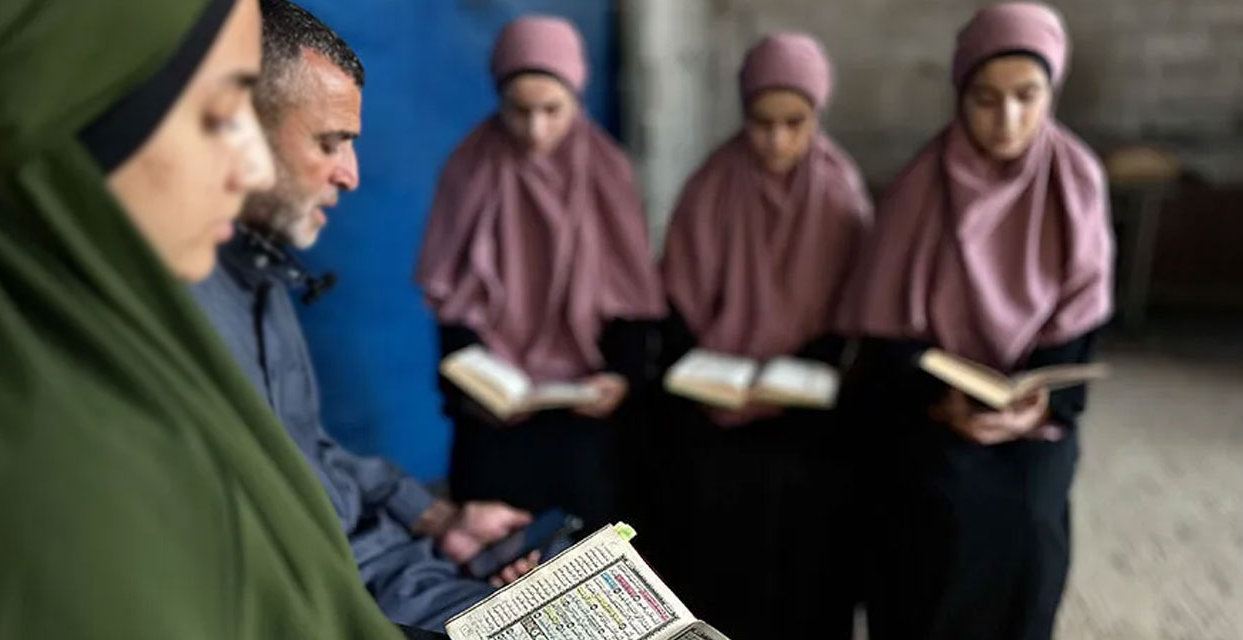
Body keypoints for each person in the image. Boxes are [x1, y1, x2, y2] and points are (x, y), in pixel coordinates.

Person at [0, 0, 420, 638]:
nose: (252, 167)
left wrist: (431, 516)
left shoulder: (167, 318)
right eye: (218, 114)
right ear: (86, 116)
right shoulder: (62, 483)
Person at [191, 0, 534, 632]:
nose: (349, 176)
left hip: (400, 574)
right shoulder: (179, 308)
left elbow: (304, 450)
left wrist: (437, 520)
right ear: (240, 126)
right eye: (329, 143)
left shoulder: (258, 270)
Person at [837, 4, 1114, 639]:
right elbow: (887, 340)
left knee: (1029, 526)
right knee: (928, 525)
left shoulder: (1075, 182)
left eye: (1027, 96)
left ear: (1052, 93)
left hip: (1033, 419)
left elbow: (1082, 325)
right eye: (987, 98)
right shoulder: (919, 189)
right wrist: (941, 404)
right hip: (927, 414)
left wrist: (1037, 405)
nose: (1007, 119)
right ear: (961, 95)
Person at [654, 33, 872, 639]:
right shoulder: (711, 187)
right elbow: (676, 304)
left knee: (808, 550)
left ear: (817, 116)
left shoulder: (841, 194)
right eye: (762, 122)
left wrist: (790, 383)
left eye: (794, 123)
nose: (777, 140)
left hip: (808, 411)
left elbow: (853, 317)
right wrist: (709, 380)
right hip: (713, 401)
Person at [415, 15, 665, 532]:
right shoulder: (469, 168)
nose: (535, 130)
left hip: (587, 419)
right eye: (519, 111)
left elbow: (630, 293)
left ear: (577, 98)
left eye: (552, 110)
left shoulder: (607, 171)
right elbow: (451, 297)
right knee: (490, 572)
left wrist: (621, 376)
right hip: (495, 422)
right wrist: (471, 391)